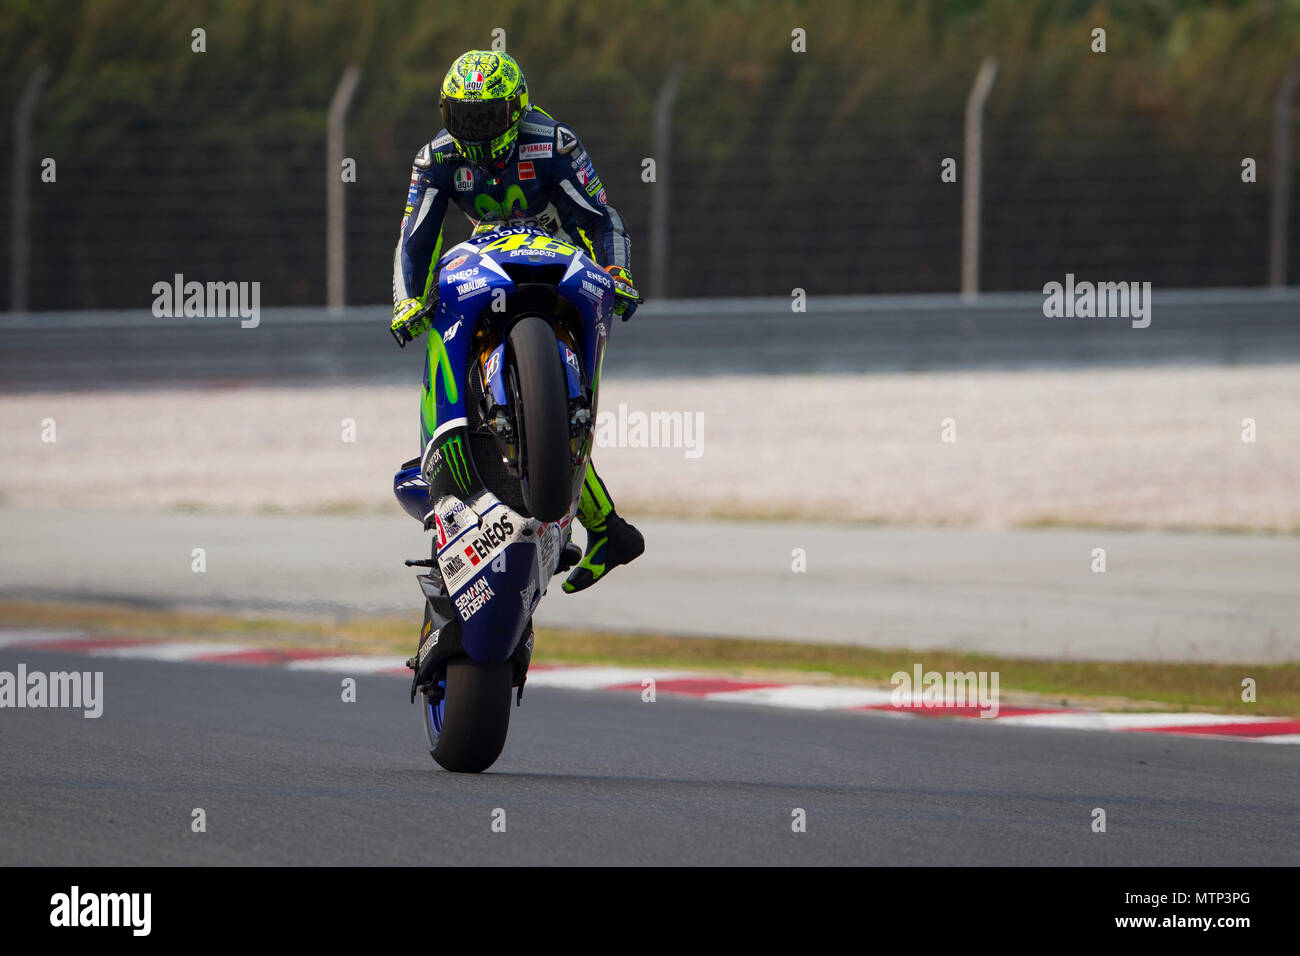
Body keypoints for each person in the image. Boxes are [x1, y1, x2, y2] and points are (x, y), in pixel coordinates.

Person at [390, 49, 644, 593]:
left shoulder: (555, 142)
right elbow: (415, 241)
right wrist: (407, 301)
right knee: (445, 319)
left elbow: (602, 218)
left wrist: (617, 274)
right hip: (484, 263)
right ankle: (590, 519)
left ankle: (590, 515)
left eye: (487, 117)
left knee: (568, 403)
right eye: (464, 117)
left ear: (518, 109)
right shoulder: (434, 159)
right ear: (446, 115)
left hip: (559, 264)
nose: (476, 131)